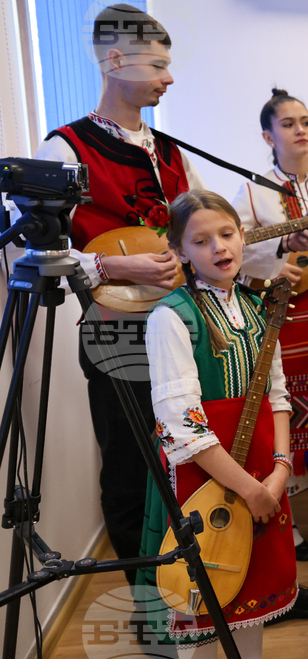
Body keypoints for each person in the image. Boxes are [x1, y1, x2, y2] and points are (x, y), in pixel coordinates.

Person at [33, 3, 204, 583]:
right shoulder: (64, 149)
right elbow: (34, 252)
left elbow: (206, 231)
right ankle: (148, 598)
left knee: (197, 452)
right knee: (132, 469)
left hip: (183, 323)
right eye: (157, 65)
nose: (169, 77)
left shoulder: (172, 152)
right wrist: (113, 265)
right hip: (116, 333)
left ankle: (214, 591)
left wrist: (277, 247)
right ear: (114, 60)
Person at [136, 190, 297, 659]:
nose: (219, 247)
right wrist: (250, 489)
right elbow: (182, 427)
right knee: (199, 607)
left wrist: (280, 470)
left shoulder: (257, 307)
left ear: (243, 235)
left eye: (227, 234)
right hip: (200, 476)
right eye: (201, 241)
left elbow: (278, 396)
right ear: (180, 252)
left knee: (251, 604)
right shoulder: (170, 316)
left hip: (264, 472)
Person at [231, 88, 308, 569]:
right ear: (268, 136)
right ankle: (290, 521)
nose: (300, 129)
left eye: (304, 120)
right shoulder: (251, 192)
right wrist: (280, 251)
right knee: (286, 412)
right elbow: (234, 250)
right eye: (287, 124)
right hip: (282, 318)